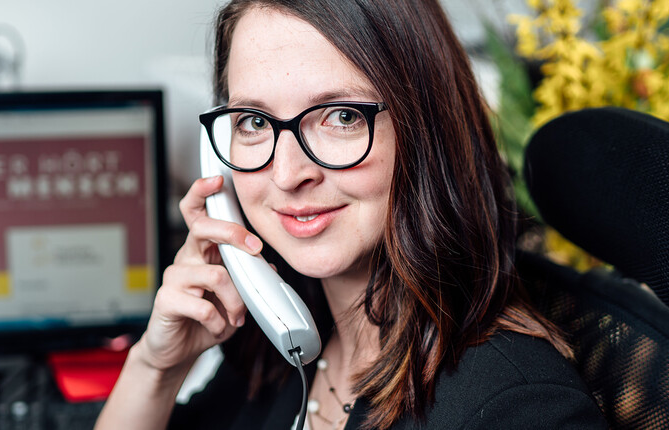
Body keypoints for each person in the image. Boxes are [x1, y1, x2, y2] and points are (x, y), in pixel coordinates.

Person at [96, 0, 607, 429]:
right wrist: (156, 366)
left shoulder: (516, 407)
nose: (287, 174)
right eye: (253, 121)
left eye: (341, 116)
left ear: (424, 133)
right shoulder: (286, 336)